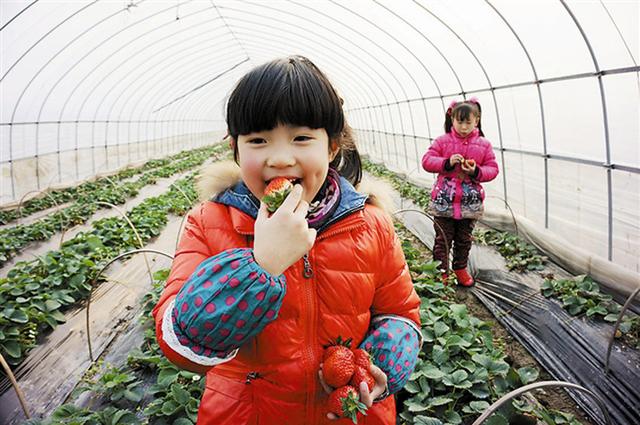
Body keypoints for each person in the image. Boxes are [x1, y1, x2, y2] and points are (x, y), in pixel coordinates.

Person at [153, 56, 422, 425]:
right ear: (236, 148)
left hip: (347, 416)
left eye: (301, 138)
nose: (280, 158)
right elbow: (178, 344)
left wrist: (372, 366)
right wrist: (260, 266)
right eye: (258, 140)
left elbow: (400, 313)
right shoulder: (209, 223)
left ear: (331, 147)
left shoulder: (371, 225)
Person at [421, 98, 499, 286]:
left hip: (469, 204)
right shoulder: (442, 141)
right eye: (459, 121)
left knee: (464, 240)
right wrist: (446, 162)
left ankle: (460, 269)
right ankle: (441, 272)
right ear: (452, 120)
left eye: (468, 122)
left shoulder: (484, 145)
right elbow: (427, 161)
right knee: (443, 239)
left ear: (476, 121)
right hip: (444, 202)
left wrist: (476, 171)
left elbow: (493, 169)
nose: (463, 126)